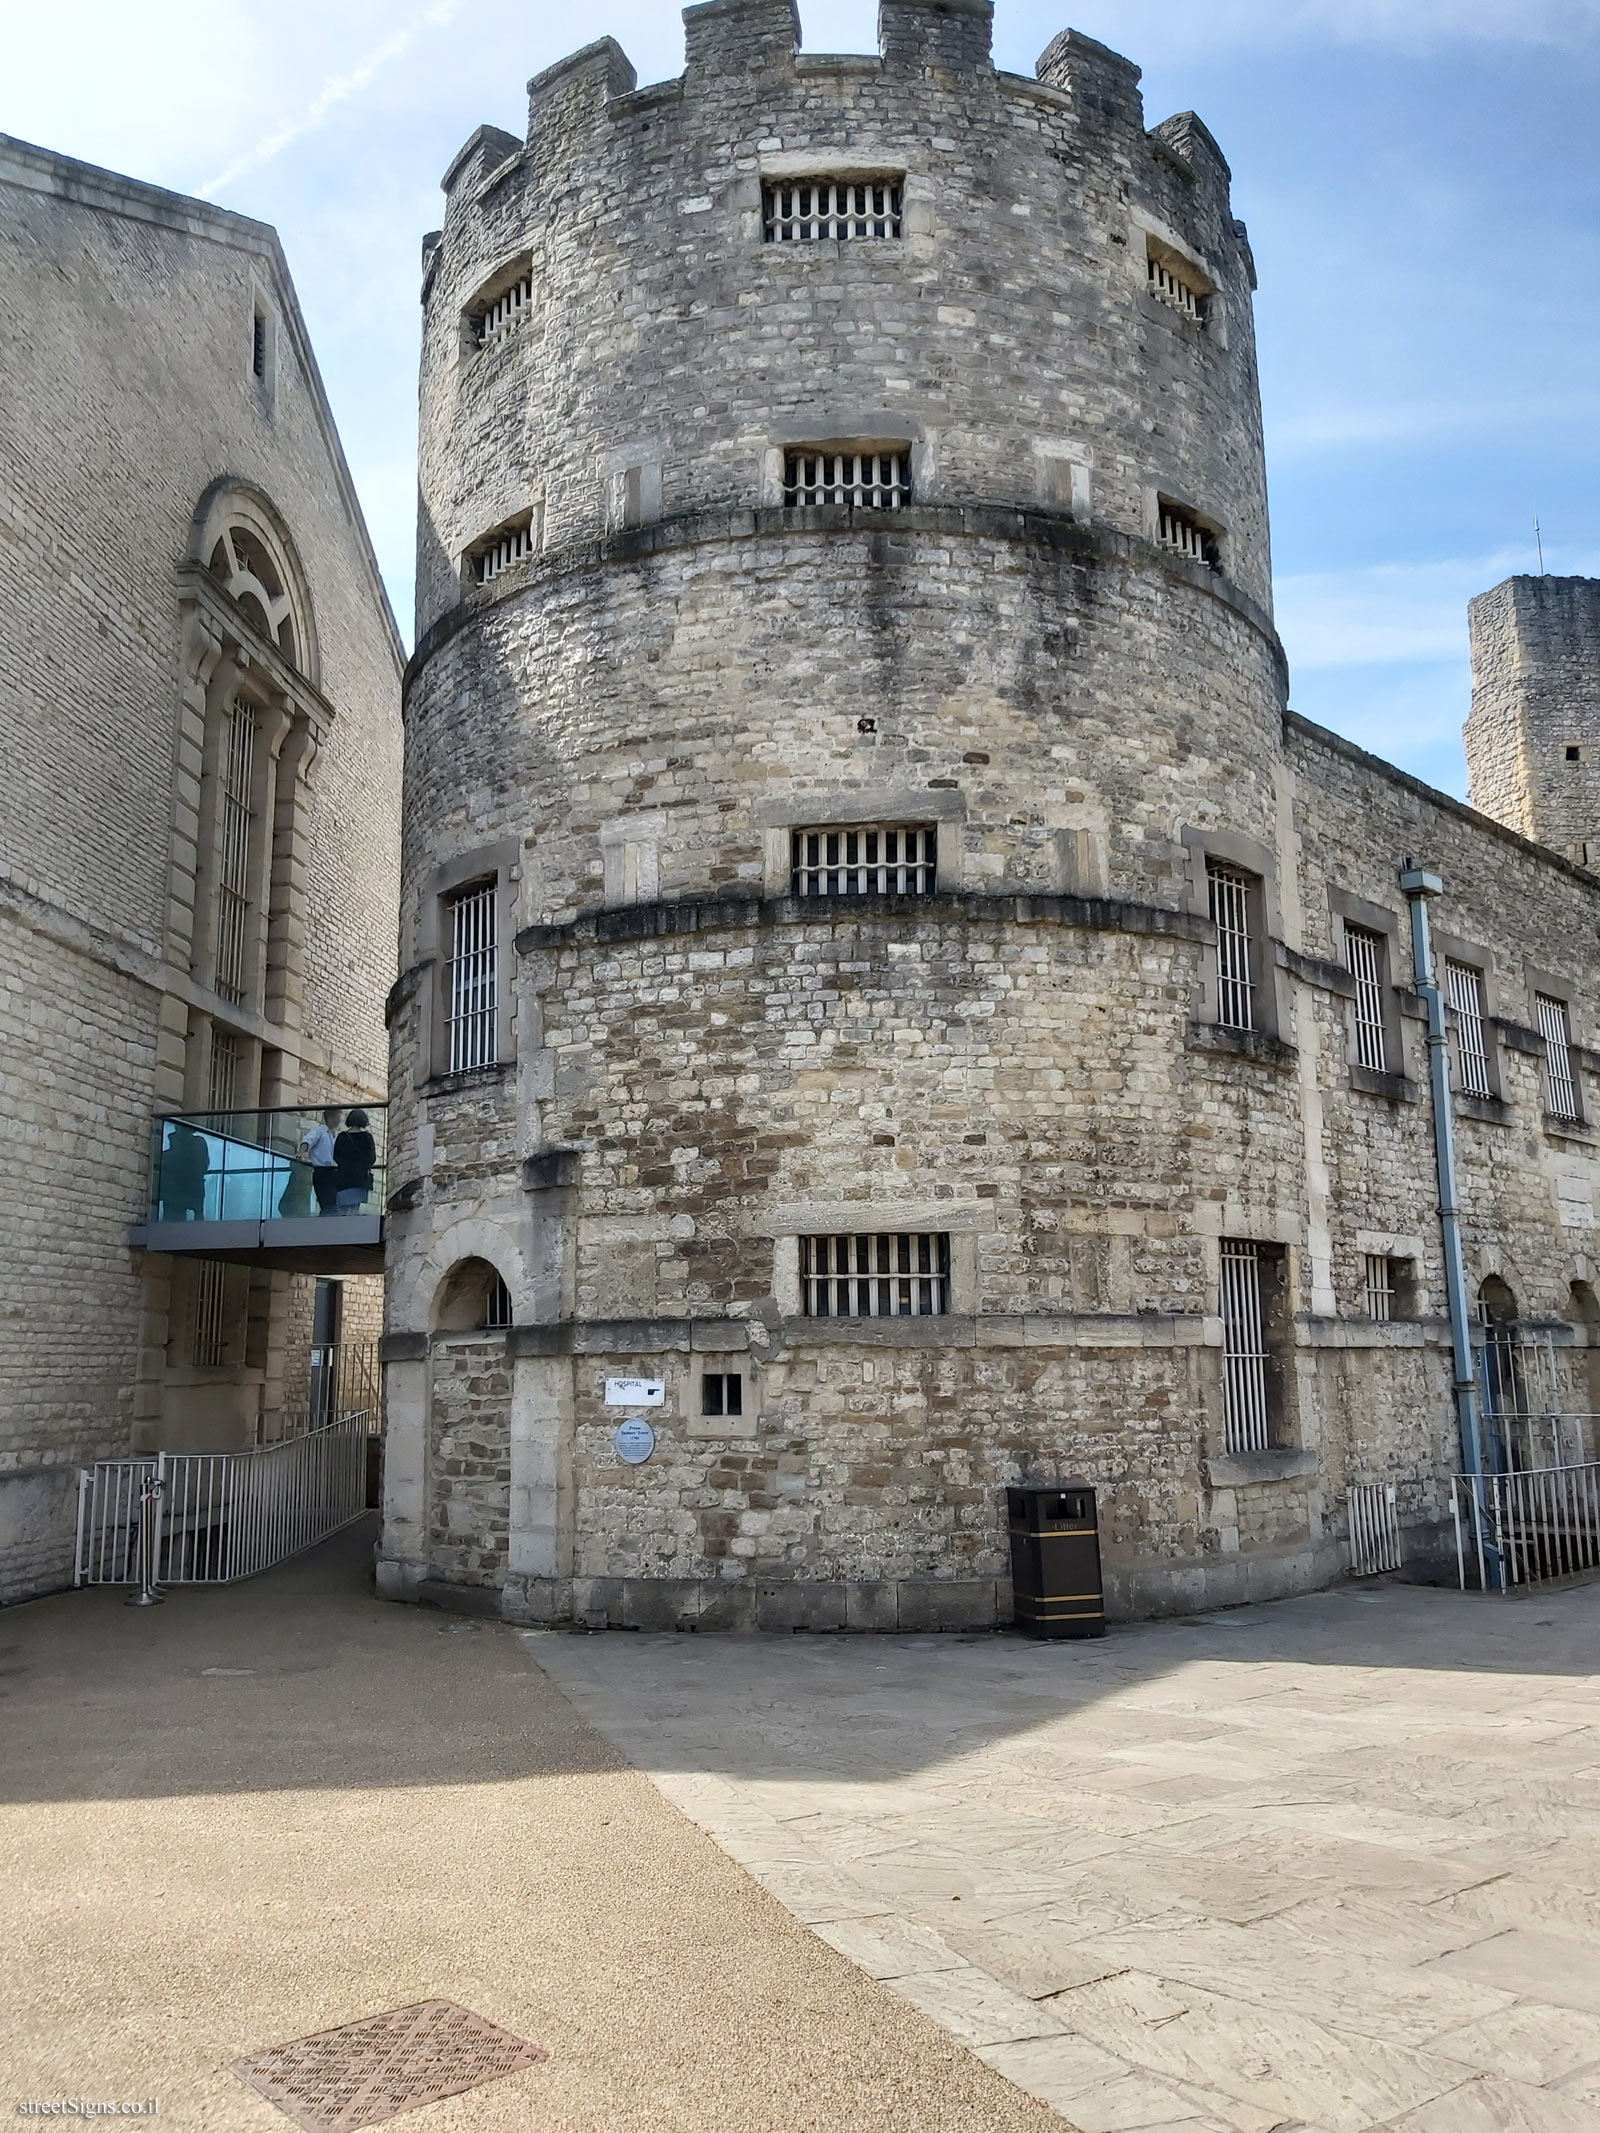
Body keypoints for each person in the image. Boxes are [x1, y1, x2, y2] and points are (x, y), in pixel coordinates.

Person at [160, 1120, 209, 1221]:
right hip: (178, 1189)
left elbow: (202, 1164)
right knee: (174, 1221)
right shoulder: (196, 1143)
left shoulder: (197, 1144)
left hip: (187, 1188)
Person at [298, 1108, 342, 1216]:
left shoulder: (335, 1135)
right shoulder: (319, 1131)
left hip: (334, 1173)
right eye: (338, 1117)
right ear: (330, 1118)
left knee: (333, 1203)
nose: (339, 1120)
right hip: (322, 1172)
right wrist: (300, 1153)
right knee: (328, 1203)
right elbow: (307, 1141)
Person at [333, 1108, 376, 1213]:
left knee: (342, 1210)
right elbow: (371, 1159)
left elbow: (336, 1156)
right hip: (360, 1178)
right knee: (355, 1209)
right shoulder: (367, 1137)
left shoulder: (342, 1137)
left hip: (343, 1177)